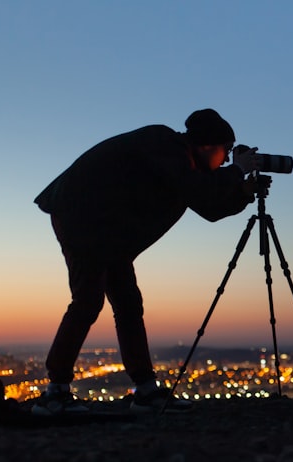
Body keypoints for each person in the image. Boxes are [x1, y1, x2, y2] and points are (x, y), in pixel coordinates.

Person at [32, 109, 263, 416]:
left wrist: (244, 193)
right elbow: (198, 189)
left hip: (111, 229)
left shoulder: (182, 164)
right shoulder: (163, 143)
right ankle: (55, 393)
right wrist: (236, 172)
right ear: (208, 145)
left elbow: (209, 206)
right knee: (87, 300)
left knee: (128, 304)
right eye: (225, 153)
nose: (225, 160)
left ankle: (145, 391)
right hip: (83, 216)